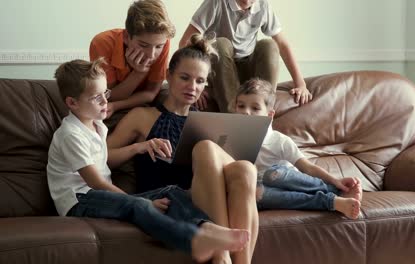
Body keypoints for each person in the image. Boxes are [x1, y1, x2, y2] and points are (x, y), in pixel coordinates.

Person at [46, 58, 250, 263]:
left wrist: (139, 147)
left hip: (97, 195)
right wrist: (139, 200)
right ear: (72, 103)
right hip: (79, 199)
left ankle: (207, 227)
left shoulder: (98, 126)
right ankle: (193, 240)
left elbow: (105, 163)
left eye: (106, 94)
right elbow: (96, 183)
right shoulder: (70, 135)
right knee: (139, 206)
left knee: (173, 192)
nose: (105, 102)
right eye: (97, 98)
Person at [107, 34, 259, 264]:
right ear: (169, 75)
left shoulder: (209, 122)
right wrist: (139, 147)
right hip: (171, 200)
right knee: (206, 148)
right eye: (185, 78)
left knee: (246, 169)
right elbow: (103, 158)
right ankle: (221, 256)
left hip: (209, 197)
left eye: (200, 81)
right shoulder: (142, 116)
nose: (192, 87)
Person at [234, 78, 363, 219]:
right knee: (256, 193)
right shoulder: (231, 139)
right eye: (241, 106)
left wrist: (336, 181)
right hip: (264, 191)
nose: (246, 112)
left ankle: (336, 191)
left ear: (269, 115)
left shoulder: (279, 141)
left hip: (286, 181)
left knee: (271, 174)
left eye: (255, 108)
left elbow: (307, 168)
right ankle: (332, 202)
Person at [179, 0, 312, 113]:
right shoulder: (217, 3)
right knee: (220, 44)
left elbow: (282, 44)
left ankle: (263, 113)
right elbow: (185, 42)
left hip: (248, 71)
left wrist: (300, 83)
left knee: (269, 45)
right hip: (221, 70)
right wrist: (195, 84)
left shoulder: (262, 5)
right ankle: (234, 117)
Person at [89, 0, 175, 130]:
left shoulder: (164, 42)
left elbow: (151, 93)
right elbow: (110, 96)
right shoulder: (102, 43)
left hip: (139, 105)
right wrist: (139, 73)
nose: (151, 55)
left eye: (158, 46)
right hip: (110, 108)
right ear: (126, 37)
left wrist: (117, 105)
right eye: (143, 45)